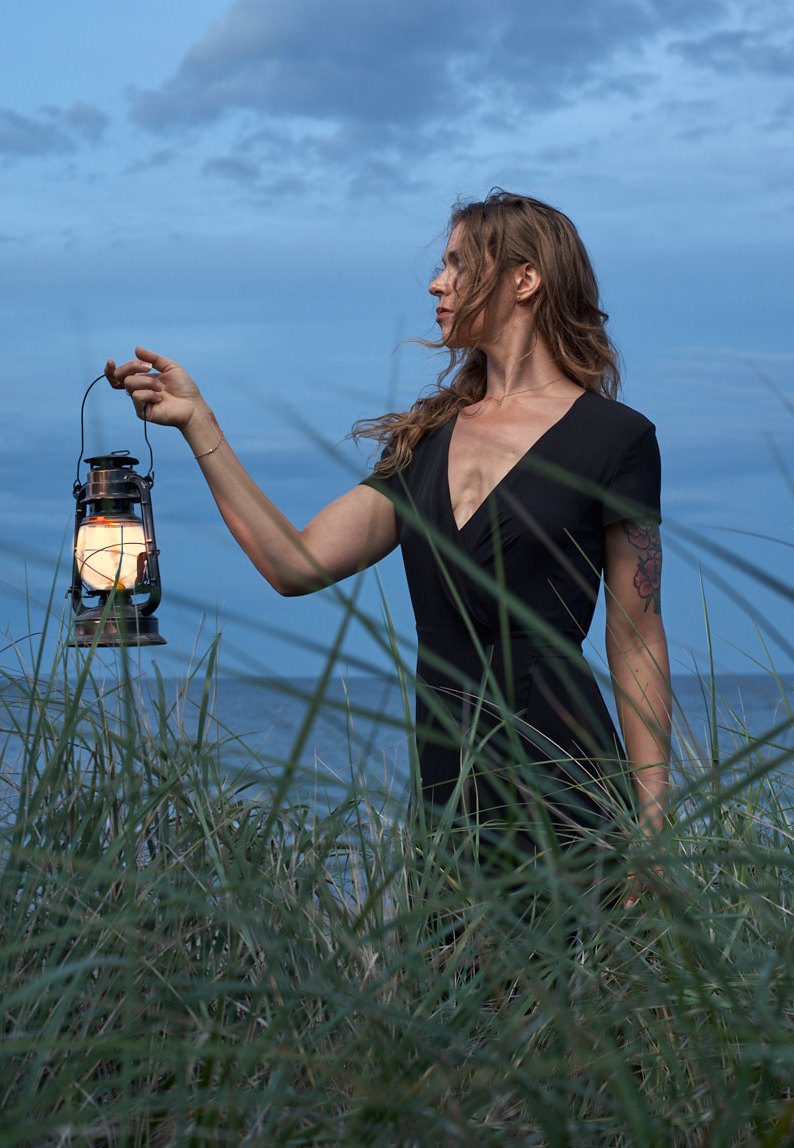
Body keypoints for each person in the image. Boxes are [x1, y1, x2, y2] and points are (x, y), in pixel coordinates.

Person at [106, 189, 671, 903]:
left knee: (579, 1005)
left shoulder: (615, 439)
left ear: (524, 279)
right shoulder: (428, 443)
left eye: (459, 264)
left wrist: (654, 820)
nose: (438, 283)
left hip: (568, 778)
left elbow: (637, 634)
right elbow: (295, 563)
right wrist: (199, 424)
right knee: (459, 999)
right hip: (447, 787)